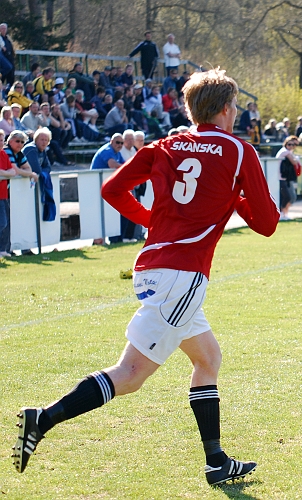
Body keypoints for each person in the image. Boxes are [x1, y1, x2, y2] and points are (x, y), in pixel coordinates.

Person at [13, 68, 279, 488]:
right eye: (235, 108)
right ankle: (42, 419)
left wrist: (152, 222)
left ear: (191, 109)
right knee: (131, 375)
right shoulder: (238, 150)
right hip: (184, 275)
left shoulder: (165, 145)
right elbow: (267, 224)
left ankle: (216, 462)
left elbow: (112, 191)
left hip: (152, 266)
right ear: (227, 109)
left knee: (207, 359)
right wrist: (239, 198)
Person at [2, 130, 38, 255]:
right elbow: (15, 169)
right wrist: (30, 174)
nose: (20, 144)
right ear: (10, 141)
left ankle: (9, 248)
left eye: (22, 142)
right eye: (17, 141)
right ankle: (5, 249)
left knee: (9, 220)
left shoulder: (19, 153)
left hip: (12, 192)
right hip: (5, 192)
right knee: (4, 222)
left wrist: (28, 172)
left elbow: (28, 168)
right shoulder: (6, 151)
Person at [0, 129, 16, 258]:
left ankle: (2, 250)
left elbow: (12, 171)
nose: (0, 142)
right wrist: (6, 173)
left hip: (4, 194)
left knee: (6, 224)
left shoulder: (3, 154)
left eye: (1, 140)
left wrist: (3, 173)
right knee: (2, 223)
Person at [276, 135, 301, 220]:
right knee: (288, 197)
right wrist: (297, 158)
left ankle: (284, 213)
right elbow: (294, 162)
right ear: (285, 144)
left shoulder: (288, 152)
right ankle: (282, 213)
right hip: (280, 178)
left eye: (293, 145)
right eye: (289, 144)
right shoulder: (285, 152)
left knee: (289, 197)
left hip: (285, 178)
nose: (291, 146)